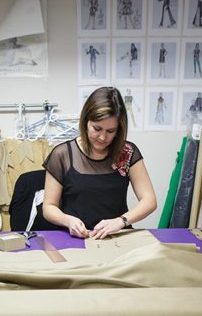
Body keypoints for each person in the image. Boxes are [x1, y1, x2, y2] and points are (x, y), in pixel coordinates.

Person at [42, 86, 156, 239]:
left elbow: (149, 200)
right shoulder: (62, 155)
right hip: (79, 237)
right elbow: (49, 207)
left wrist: (121, 221)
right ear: (85, 122)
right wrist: (68, 221)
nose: (102, 137)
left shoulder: (127, 152)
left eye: (111, 131)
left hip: (117, 235)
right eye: (97, 128)